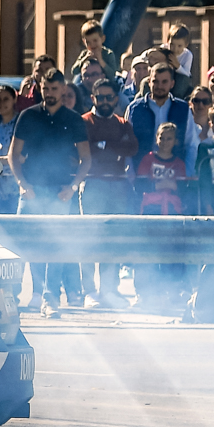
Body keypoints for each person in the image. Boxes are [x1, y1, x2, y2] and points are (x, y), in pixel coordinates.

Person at [10, 70, 90, 314]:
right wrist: (22, 184)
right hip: (32, 190)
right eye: (46, 89)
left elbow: (86, 159)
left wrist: (73, 186)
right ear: (40, 88)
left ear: (63, 89)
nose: (50, 94)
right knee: (22, 244)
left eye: (55, 89)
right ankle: (16, 296)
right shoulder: (28, 116)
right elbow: (13, 155)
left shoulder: (74, 119)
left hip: (59, 192)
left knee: (56, 246)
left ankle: (50, 297)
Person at [80, 78, 139, 305]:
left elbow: (131, 147)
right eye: (100, 97)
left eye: (109, 97)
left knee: (112, 238)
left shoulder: (123, 123)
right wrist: (111, 146)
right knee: (89, 239)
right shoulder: (84, 121)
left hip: (118, 185)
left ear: (116, 98)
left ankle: (109, 289)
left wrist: (105, 144)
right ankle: (89, 291)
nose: (105, 101)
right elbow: (87, 150)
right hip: (93, 184)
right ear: (93, 98)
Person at [134, 122, 190, 309]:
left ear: (175, 141)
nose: (165, 142)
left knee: (171, 251)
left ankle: (171, 290)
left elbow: (181, 188)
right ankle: (146, 293)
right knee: (149, 252)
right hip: (151, 211)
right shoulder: (147, 159)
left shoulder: (179, 163)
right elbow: (139, 185)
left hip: (172, 213)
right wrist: (159, 186)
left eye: (169, 139)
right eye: (161, 138)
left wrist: (170, 186)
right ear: (156, 139)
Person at [129, 63, 194, 162]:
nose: (159, 86)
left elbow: (190, 144)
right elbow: (128, 143)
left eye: (164, 82)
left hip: (174, 171)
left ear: (172, 84)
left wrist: (187, 173)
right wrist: (130, 173)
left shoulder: (183, 109)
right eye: (155, 81)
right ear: (149, 82)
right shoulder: (134, 108)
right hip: (142, 171)